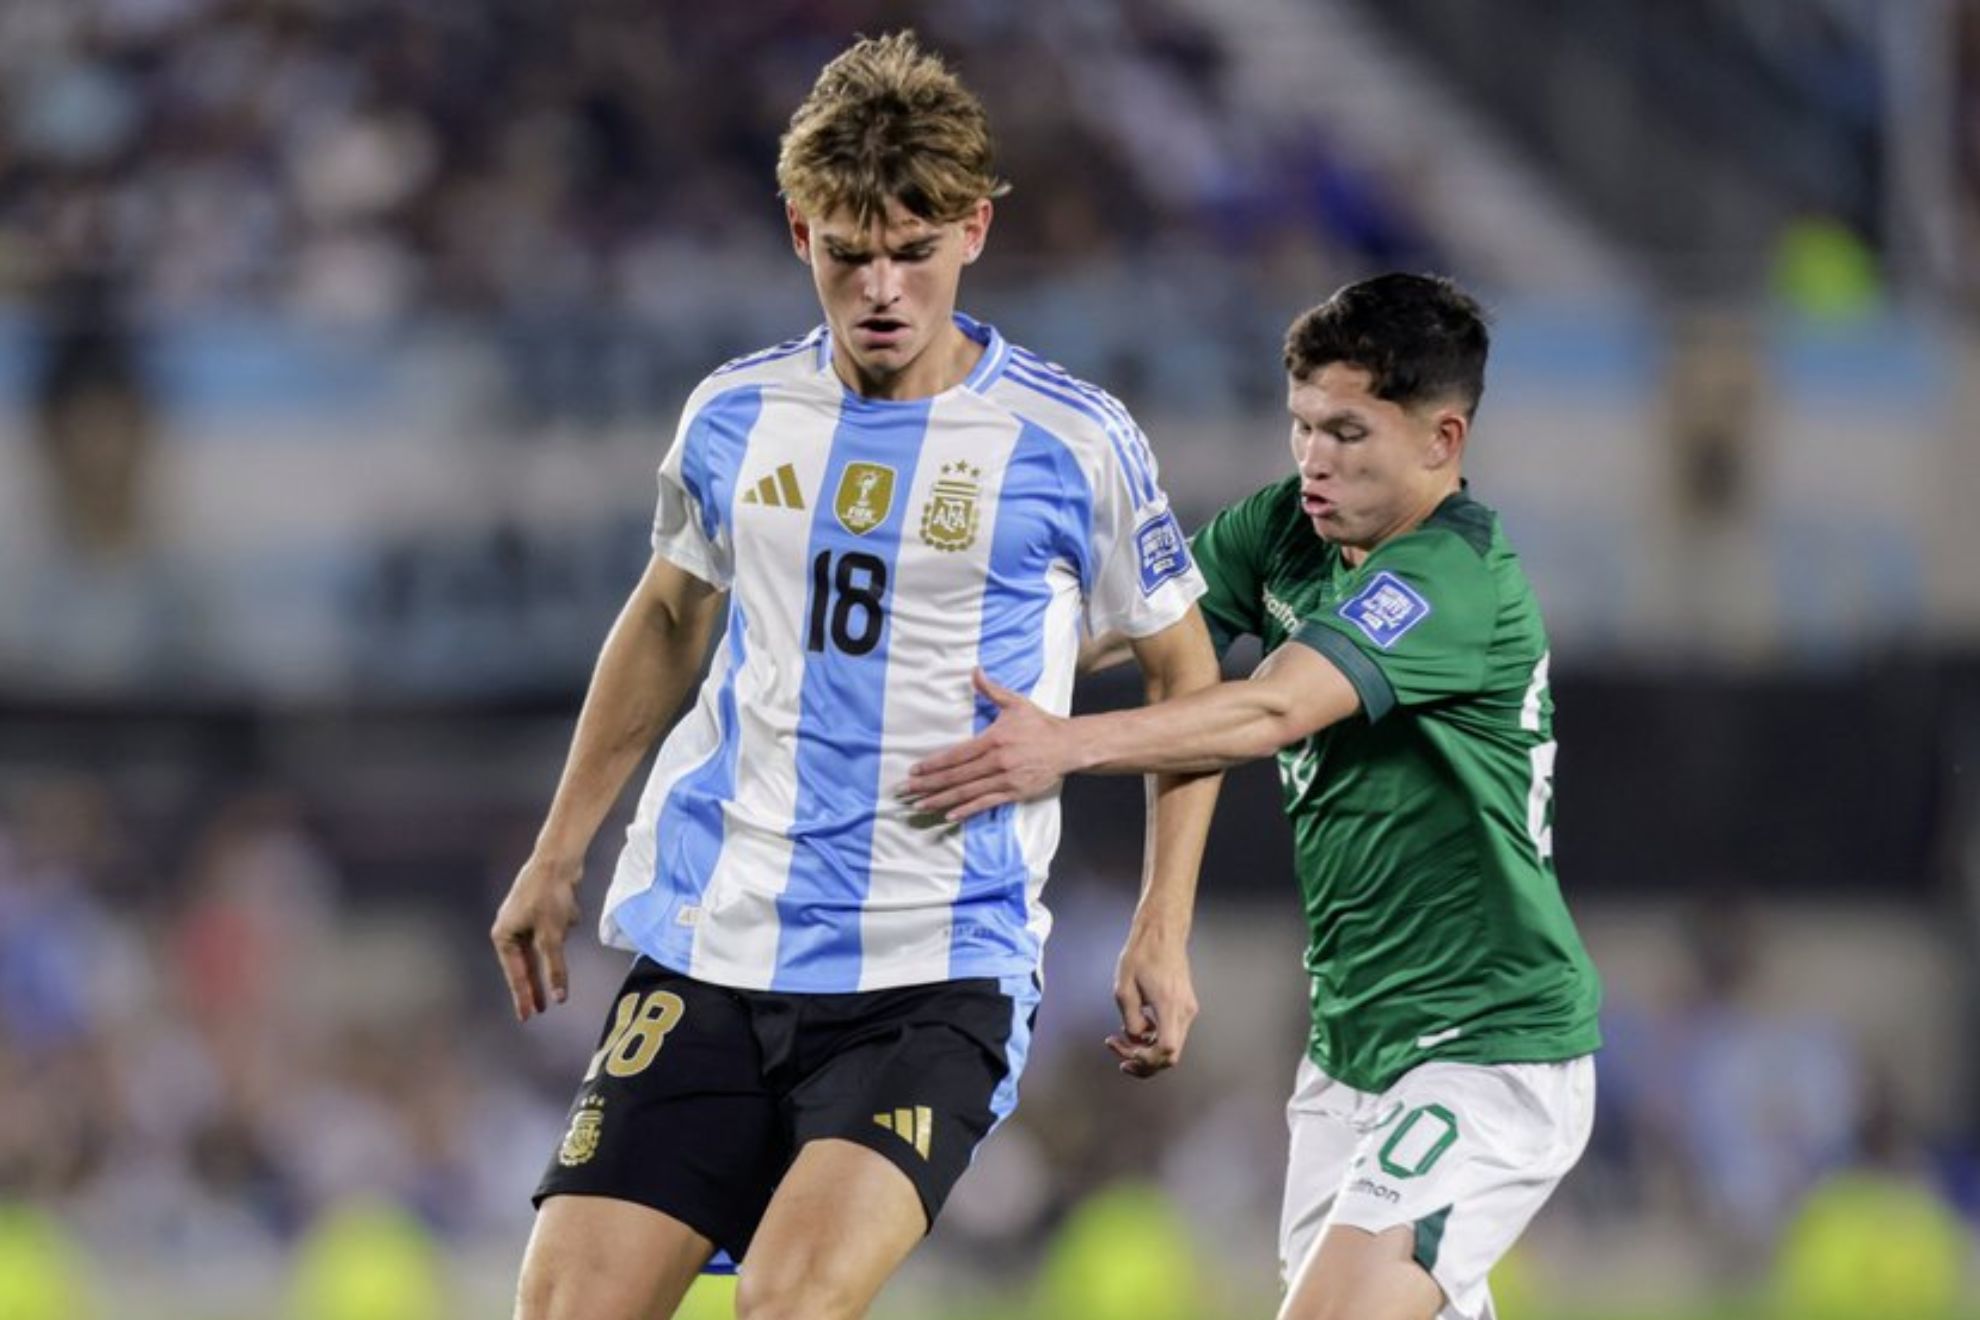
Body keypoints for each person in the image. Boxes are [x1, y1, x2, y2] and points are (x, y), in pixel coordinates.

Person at [488, 31, 1222, 1320]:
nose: (881, 286)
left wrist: (1163, 924)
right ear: (798, 235)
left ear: (978, 231)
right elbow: (668, 617)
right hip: (717, 948)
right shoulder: (734, 416)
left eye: (915, 250)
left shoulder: (1069, 440)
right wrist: (560, 851)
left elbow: (1183, 673)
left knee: (790, 1303)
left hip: (931, 973)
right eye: (847, 252)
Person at [907, 272, 1603, 1320]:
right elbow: (1134, 637)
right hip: (1351, 1051)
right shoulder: (1285, 528)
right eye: (1302, 426)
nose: (1314, 458)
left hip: (1487, 1047)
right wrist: (923, 659)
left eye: (1349, 433)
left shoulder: (1459, 580)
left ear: (1441, 439)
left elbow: (1264, 712)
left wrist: (1058, 748)